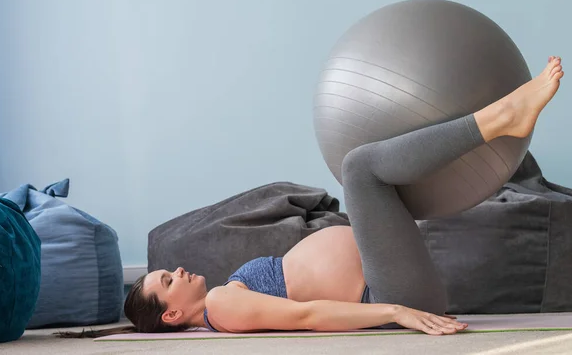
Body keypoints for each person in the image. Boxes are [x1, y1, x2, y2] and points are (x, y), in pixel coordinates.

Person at [66, 56, 564, 338]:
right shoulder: (220, 306)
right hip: (388, 293)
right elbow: (309, 317)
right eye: (168, 280)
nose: (178, 271)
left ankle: (498, 125)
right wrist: (395, 312)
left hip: (388, 275)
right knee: (360, 168)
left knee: (381, 169)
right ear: (172, 313)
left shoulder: (227, 297)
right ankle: (500, 119)